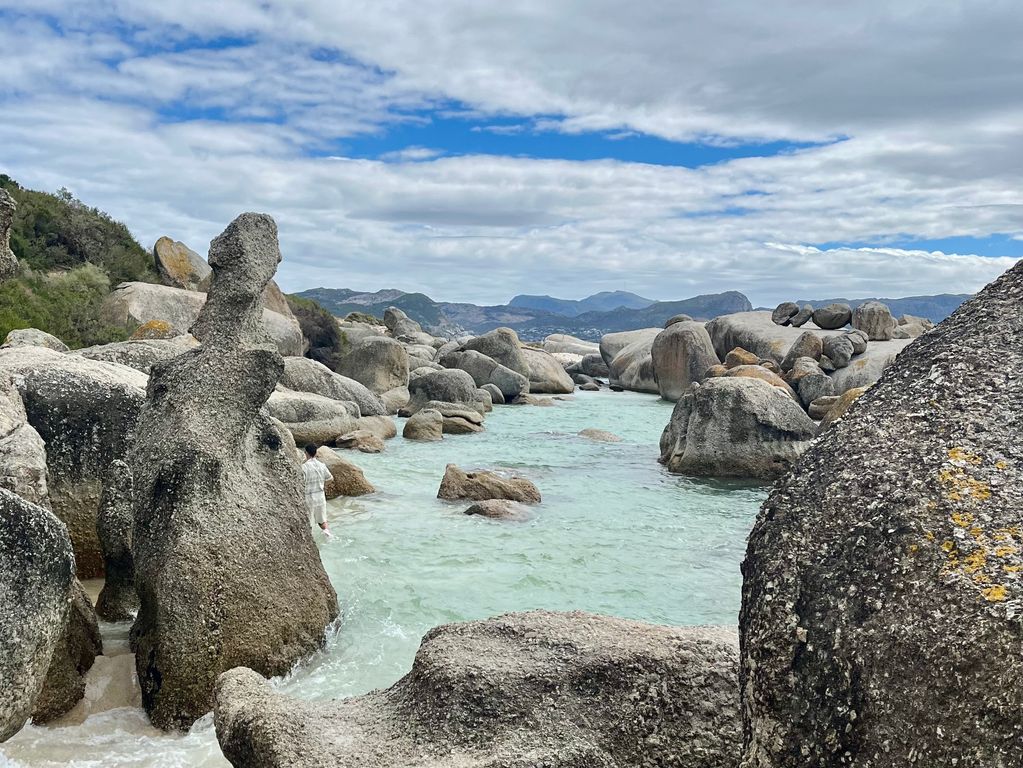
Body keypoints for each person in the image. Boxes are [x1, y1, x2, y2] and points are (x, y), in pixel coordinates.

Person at [301, 443, 333, 538]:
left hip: (308, 497)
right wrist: (322, 486)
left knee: (308, 521)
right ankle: (327, 533)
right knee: (322, 520)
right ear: (315, 453)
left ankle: (310, 539)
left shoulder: (304, 467)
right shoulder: (322, 465)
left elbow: (301, 482)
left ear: (306, 453)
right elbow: (330, 478)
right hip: (320, 495)